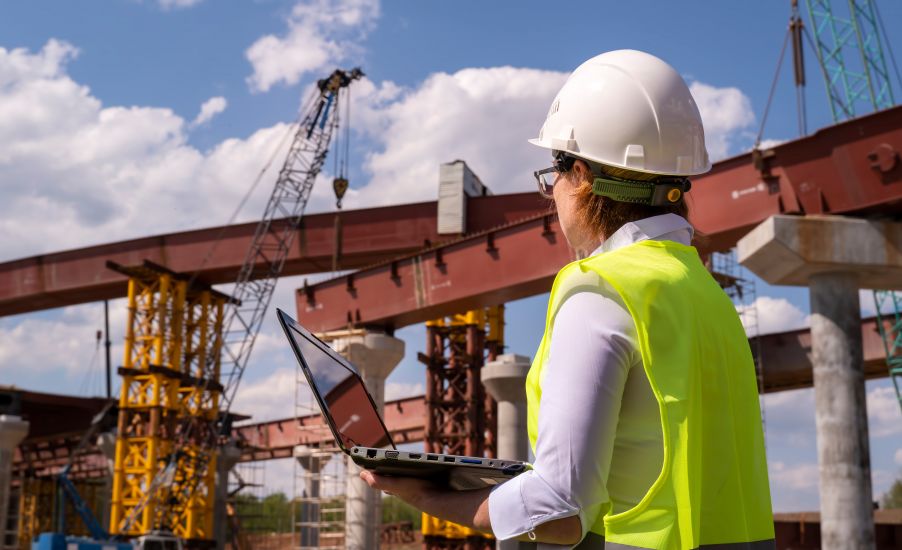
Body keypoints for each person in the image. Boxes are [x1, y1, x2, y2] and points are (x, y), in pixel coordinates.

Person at [361, 50, 774, 549]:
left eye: (552, 176)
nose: (552, 192)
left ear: (579, 175)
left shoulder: (600, 288)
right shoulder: (706, 295)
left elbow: (560, 508)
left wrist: (421, 495)